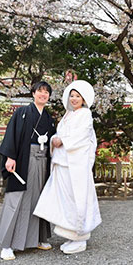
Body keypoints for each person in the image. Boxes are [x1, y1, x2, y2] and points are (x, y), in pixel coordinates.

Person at [33, 80, 102, 254]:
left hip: (75, 165)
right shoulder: (68, 115)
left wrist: (63, 140)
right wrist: (54, 140)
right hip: (63, 162)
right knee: (64, 200)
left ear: (84, 99)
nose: (74, 99)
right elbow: (60, 134)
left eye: (78, 96)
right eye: (72, 95)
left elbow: (81, 136)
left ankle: (80, 238)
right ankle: (71, 236)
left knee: (76, 199)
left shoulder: (85, 114)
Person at [0, 81, 56, 260]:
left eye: (46, 92)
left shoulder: (48, 118)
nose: (43, 95)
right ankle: (7, 244)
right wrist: (10, 157)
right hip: (23, 159)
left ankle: (38, 238)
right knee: (17, 199)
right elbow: (11, 134)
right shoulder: (22, 113)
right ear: (33, 93)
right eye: (40, 91)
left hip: (43, 160)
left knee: (39, 199)